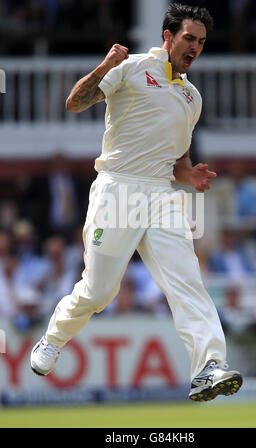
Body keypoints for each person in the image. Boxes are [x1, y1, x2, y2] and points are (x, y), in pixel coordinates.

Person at [31, 3, 242, 402]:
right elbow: (75, 102)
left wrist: (190, 174)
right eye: (188, 38)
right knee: (99, 292)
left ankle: (208, 367)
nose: (195, 47)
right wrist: (104, 65)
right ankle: (54, 338)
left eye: (201, 42)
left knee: (186, 281)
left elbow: (177, 160)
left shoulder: (191, 97)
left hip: (162, 192)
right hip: (117, 188)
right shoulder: (132, 68)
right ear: (168, 37)